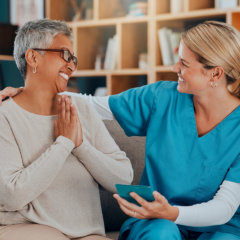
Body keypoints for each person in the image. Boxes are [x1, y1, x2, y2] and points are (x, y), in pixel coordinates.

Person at [1, 20, 240, 239]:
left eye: (184, 63)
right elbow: (94, 104)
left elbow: (224, 207)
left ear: (215, 73)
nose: (174, 66)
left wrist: (174, 213)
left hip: (219, 225)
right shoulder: (162, 97)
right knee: (161, 233)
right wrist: (30, 92)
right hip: (154, 220)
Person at [0, 19, 133, 240]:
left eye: (74, 59)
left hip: (86, 232)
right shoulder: (6, 115)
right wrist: (63, 144)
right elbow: (13, 195)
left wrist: (80, 146)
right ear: (33, 57)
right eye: (64, 55)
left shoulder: (80, 109)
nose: (71, 65)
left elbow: (123, 179)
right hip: (26, 228)